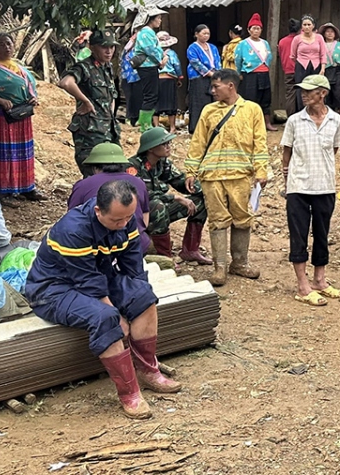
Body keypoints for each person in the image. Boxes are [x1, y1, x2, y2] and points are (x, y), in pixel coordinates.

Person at [24, 179, 180, 419]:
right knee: (106, 317)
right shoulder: (73, 229)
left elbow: (133, 266)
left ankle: (149, 371)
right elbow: (86, 281)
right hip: (54, 289)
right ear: (98, 211)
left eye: (128, 218)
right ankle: (130, 393)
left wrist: (137, 294)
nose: (124, 224)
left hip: (99, 278)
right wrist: (117, 315)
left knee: (144, 297)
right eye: (117, 220)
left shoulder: (125, 220)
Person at [184, 69, 270, 286]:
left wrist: (261, 171)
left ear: (230, 86)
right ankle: (219, 267)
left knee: (242, 218)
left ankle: (239, 263)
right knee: (217, 220)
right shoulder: (208, 111)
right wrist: (191, 170)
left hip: (240, 175)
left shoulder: (252, 110)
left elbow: (260, 143)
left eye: (216, 86)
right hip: (212, 175)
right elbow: (198, 143)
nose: (212, 91)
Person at [279, 75, 340, 305]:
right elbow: (286, 152)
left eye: (309, 91)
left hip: (325, 185)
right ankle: (302, 284)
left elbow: (335, 149)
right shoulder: (295, 121)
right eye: (302, 91)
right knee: (299, 234)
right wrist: (287, 177)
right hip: (298, 185)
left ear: (323, 93)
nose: (304, 94)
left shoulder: (336, 120)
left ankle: (320, 279)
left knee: (322, 233)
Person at [130, 128, 209, 265]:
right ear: (151, 148)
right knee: (157, 205)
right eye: (164, 144)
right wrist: (175, 198)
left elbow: (181, 181)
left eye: (169, 143)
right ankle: (165, 258)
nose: (168, 147)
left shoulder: (163, 163)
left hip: (157, 211)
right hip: (138, 216)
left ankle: (190, 250)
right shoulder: (133, 167)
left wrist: (208, 190)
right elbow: (142, 196)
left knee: (200, 200)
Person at [0, 32, 44, 200]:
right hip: (2, 116)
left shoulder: (20, 68)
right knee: (4, 153)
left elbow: (30, 88)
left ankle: (26, 188)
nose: (6, 47)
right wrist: (0, 100)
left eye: (9, 44)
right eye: (1, 44)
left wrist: (33, 98)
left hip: (22, 115)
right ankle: (2, 190)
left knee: (24, 151)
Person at [58, 29, 121, 176]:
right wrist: (85, 101)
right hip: (90, 131)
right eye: (104, 47)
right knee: (94, 174)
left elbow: (110, 95)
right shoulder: (84, 67)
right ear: (92, 47)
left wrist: (110, 113)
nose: (109, 51)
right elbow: (66, 83)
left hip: (109, 130)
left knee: (115, 172)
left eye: (112, 47)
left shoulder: (107, 67)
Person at [68, 143, 150, 254]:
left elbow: (73, 219)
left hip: (100, 249)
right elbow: (145, 217)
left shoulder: (83, 185)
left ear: (95, 168)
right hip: (136, 245)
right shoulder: (138, 182)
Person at [234, 14, 279, 132]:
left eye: (258, 28)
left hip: (264, 73)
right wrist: (239, 73)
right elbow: (237, 59)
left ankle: (266, 123)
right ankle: (249, 123)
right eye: (253, 28)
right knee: (250, 98)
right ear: (249, 30)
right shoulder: (243, 44)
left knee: (265, 98)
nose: (255, 31)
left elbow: (269, 56)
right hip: (250, 74)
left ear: (261, 30)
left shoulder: (265, 43)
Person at [133, 7, 165, 130]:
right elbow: (151, 50)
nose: (160, 21)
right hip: (147, 66)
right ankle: (145, 124)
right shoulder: (146, 32)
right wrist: (160, 60)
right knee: (151, 95)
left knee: (152, 94)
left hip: (150, 66)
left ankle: (143, 121)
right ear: (151, 19)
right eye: (158, 18)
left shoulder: (148, 32)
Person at [186, 24, 221, 134]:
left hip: (214, 76)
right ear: (196, 34)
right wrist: (209, 73)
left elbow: (218, 60)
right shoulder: (192, 48)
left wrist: (218, 73)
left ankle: (211, 127)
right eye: (204, 33)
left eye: (208, 33)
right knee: (199, 102)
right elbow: (195, 63)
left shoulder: (213, 47)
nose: (206, 35)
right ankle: (196, 128)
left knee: (213, 101)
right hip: (198, 77)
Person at [290, 15, 328, 112]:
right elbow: (293, 55)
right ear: (301, 26)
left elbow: (323, 54)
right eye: (304, 25)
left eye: (309, 24)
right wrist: (299, 64)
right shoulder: (297, 39)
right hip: (301, 66)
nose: (307, 27)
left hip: (316, 66)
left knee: (316, 88)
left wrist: (322, 68)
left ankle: (316, 110)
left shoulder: (319, 38)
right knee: (301, 89)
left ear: (313, 26)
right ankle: (301, 111)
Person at [320, 23, 340, 112]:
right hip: (326, 70)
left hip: (338, 70)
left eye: (332, 32)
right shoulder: (321, 44)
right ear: (324, 34)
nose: (330, 33)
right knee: (327, 92)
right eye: (327, 32)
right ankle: (329, 112)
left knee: (339, 92)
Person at [156, 32, 183, 133]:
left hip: (157, 79)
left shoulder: (154, 53)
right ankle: (172, 127)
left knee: (156, 103)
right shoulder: (171, 53)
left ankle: (156, 126)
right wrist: (180, 77)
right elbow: (177, 65)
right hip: (169, 79)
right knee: (171, 103)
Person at [278, 19, 300, 117]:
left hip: (288, 70)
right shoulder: (300, 40)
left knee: (290, 94)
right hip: (300, 69)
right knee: (301, 93)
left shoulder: (282, 42)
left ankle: (290, 116)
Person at [121, 34, 141, 127]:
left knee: (137, 98)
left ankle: (135, 118)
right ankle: (129, 118)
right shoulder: (126, 52)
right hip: (128, 78)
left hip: (137, 78)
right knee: (130, 99)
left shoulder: (138, 51)